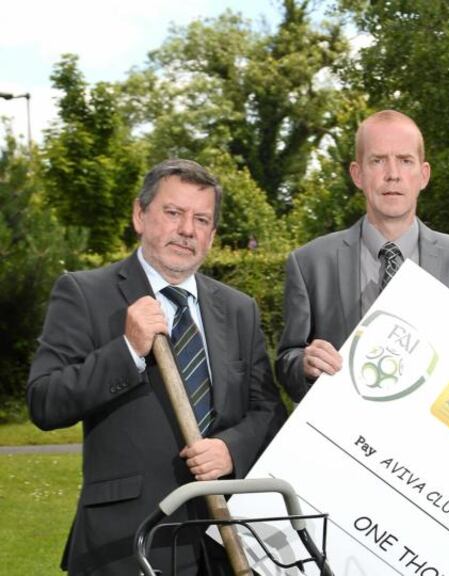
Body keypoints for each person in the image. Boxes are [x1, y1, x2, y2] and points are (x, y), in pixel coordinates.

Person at [27, 159, 286, 575]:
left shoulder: (239, 310)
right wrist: (127, 349)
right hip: (125, 546)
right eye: (173, 213)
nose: (187, 229)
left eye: (201, 219)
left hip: (222, 546)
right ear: (139, 215)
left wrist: (231, 449)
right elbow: (45, 401)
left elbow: (268, 411)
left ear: (212, 235)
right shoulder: (85, 293)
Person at [277, 110, 449, 402]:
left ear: (424, 175)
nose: (392, 174)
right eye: (378, 160)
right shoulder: (310, 263)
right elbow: (286, 361)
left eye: (405, 161)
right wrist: (304, 365)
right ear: (358, 174)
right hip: (341, 438)